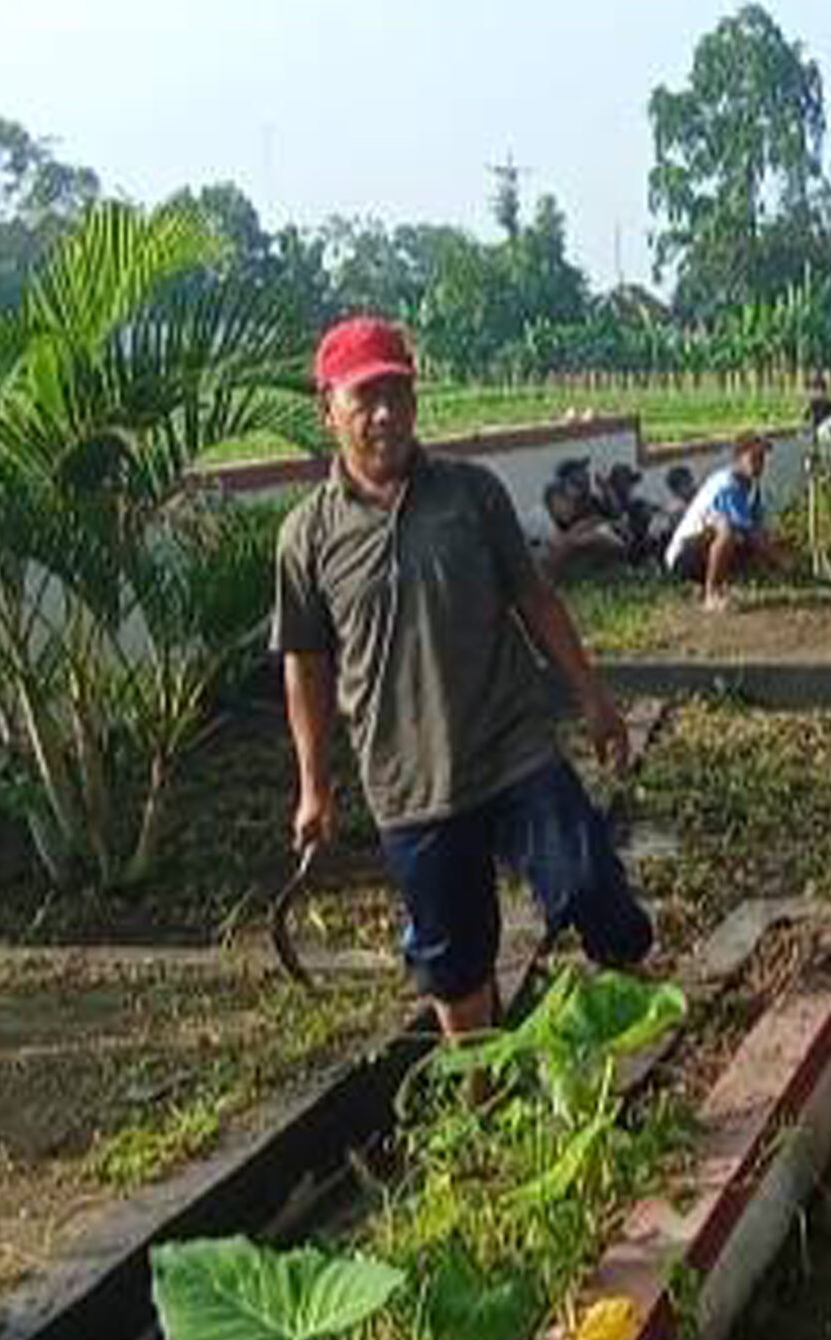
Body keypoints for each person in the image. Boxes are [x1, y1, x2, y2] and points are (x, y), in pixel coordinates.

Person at [273, 316, 653, 1041]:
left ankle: (646, 1024)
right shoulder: (307, 536)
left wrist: (594, 699)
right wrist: (314, 786)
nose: (386, 414)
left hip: (512, 750)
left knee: (590, 884)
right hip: (407, 781)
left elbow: (534, 599)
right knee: (454, 957)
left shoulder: (471, 495)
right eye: (366, 398)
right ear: (329, 410)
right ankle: (483, 1097)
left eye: (398, 393)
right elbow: (307, 663)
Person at [661, 433, 775, 612]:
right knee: (728, 532)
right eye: (754, 458)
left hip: (700, 553)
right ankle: (711, 595)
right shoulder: (727, 485)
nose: (760, 464)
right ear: (738, 457)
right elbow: (749, 535)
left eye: (762, 459)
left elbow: (759, 529)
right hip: (683, 557)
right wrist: (778, 560)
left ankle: (712, 585)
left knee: (751, 538)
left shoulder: (751, 488)